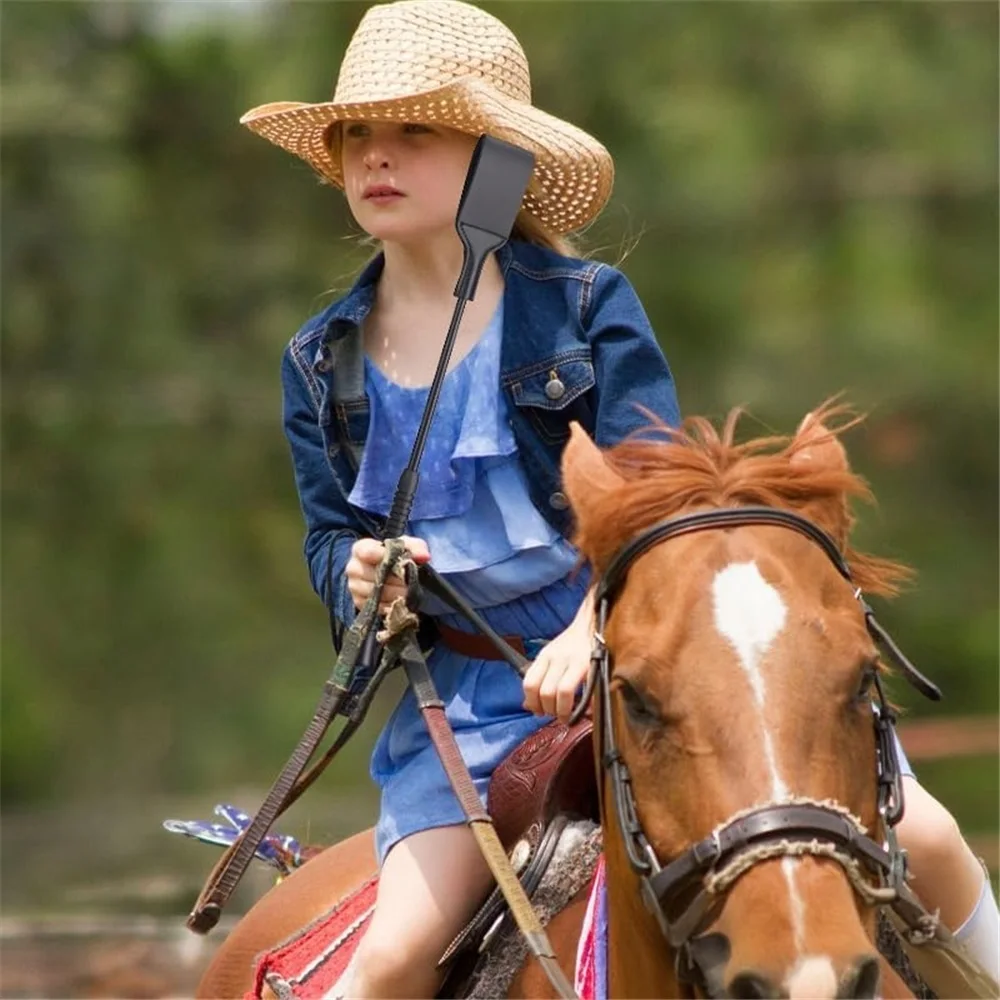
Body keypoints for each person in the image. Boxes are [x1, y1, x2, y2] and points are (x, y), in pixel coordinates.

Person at [239, 1, 997, 995]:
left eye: (415, 129)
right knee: (388, 961)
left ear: (495, 160)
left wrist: (590, 626)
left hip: (657, 659)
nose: (376, 155)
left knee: (928, 838)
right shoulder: (317, 358)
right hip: (466, 710)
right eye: (356, 136)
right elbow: (328, 539)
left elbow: (656, 511)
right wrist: (359, 576)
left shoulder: (585, 305)